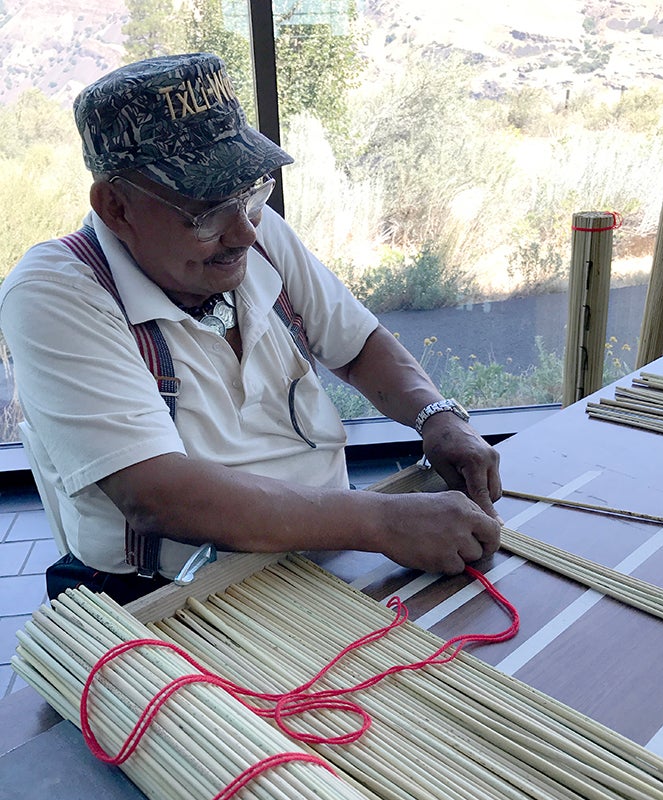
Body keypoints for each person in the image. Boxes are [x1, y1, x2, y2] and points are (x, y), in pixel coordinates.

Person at [0, 52, 502, 604]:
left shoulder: (258, 234)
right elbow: (156, 496)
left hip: (330, 545)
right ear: (116, 207)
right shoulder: (55, 291)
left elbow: (358, 348)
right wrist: (383, 523)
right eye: (207, 210)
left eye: (251, 193)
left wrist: (436, 417)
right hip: (176, 594)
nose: (242, 231)